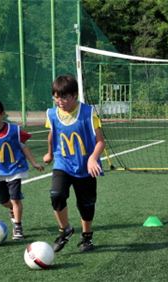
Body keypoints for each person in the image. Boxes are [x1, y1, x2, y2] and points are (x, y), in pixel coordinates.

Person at [43, 75, 105, 252]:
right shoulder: (52, 114)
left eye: (64, 97)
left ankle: (87, 237)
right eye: (56, 97)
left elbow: (100, 141)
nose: (59, 101)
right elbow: (51, 134)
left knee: (86, 204)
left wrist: (93, 158)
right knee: (56, 195)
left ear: (74, 96)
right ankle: (65, 230)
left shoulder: (88, 113)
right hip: (63, 164)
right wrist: (49, 153)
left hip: (85, 166)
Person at [0, 98, 44, 240]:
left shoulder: (14, 130)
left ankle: (18, 226)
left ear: (2, 114)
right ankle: (13, 209)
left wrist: (34, 163)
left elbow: (23, 146)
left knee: (15, 199)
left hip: (14, 169)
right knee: (4, 201)